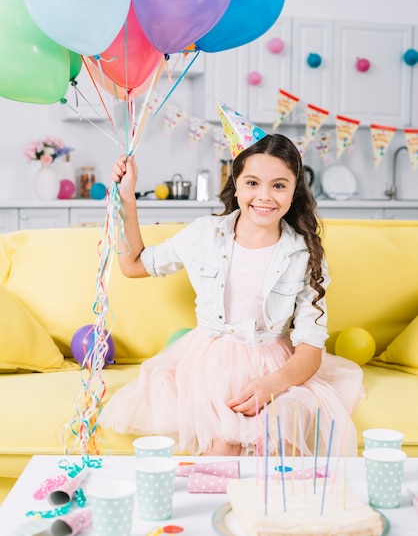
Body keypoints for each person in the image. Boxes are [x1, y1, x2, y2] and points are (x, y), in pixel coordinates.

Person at [100, 105, 364, 457]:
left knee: (279, 447)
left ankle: (267, 511)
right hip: (208, 363)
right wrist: (127, 197)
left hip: (277, 368)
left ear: (294, 190)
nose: (265, 196)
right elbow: (133, 265)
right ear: (236, 185)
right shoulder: (204, 235)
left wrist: (272, 384)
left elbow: (310, 348)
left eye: (279, 185)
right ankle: (214, 506)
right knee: (221, 448)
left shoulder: (303, 253)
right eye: (253, 183)